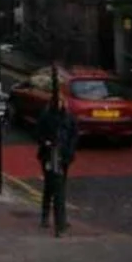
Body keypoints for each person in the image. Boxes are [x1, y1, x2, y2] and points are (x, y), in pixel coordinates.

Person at [36, 82, 78, 237]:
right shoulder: (46, 116)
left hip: (64, 156)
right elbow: (38, 133)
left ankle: (59, 219)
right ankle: (50, 219)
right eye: (57, 102)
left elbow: (74, 135)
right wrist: (46, 142)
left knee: (59, 186)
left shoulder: (69, 118)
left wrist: (70, 151)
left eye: (61, 102)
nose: (60, 105)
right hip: (50, 155)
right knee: (52, 186)